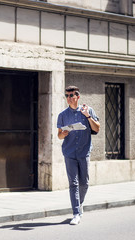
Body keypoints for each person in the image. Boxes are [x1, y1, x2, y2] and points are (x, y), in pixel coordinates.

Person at [57, 86, 100, 225]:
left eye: (71, 95)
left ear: (78, 96)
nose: (69, 98)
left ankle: (79, 204)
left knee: (84, 183)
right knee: (73, 184)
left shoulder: (87, 110)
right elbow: (59, 135)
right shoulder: (62, 115)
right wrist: (62, 134)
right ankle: (76, 213)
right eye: (67, 95)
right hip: (69, 153)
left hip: (84, 152)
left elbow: (97, 128)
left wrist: (88, 116)